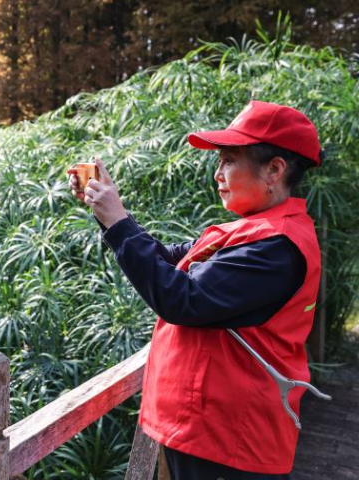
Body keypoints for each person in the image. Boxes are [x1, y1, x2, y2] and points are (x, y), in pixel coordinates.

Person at [68, 100, 323, 479]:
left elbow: (181, 299)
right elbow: (169, 261)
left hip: (231, 443)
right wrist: (110, 213)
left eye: (228, 161)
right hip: (209, 431)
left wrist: (117, 221)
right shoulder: (256, 229)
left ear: (274, 170)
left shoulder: (278, 247)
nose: (217, 173)